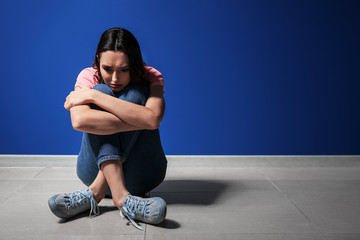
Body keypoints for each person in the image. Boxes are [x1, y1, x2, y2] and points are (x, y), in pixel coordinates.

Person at [48, 27, 167, 231]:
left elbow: (154, 119)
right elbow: (80, 121)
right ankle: (121, 197)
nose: (114, 78)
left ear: (134, 65)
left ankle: (94, 193)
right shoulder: (88, 75)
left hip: (142, 173)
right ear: (97, 61)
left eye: (124, 70)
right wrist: (139, 120)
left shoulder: (151, 76)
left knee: (136, 93)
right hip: (92, 170)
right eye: (107, 69)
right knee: (103, 88)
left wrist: (94, 97)